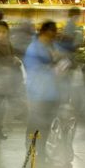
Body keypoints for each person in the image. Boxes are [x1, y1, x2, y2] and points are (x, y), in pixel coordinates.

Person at [23, 21, 60, 155]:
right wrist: (53, 70)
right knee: (35, 123)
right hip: (37, 93)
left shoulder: (52, 46)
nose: (54, 36)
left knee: (46, 124)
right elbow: (33, 70)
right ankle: (31, 148)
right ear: (44, 32)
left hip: (51, 93)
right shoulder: (33, 48)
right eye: (52, 33)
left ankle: (41, 148)